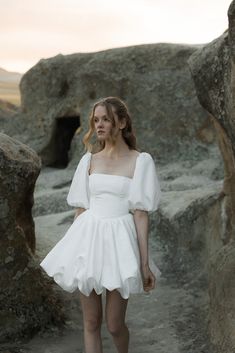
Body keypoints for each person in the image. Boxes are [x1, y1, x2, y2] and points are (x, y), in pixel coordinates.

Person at [40, 96, 162, 353]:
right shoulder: (89, 160)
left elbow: (140, 214)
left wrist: (143, 262)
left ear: (122, 122)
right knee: (92, 321)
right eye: (96, 120)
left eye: (106, 119)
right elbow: (81, 209)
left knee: (115, 324)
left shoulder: (141, 161)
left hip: (120, 241)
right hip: (89, 238)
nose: (99, 125)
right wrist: (72, 251)